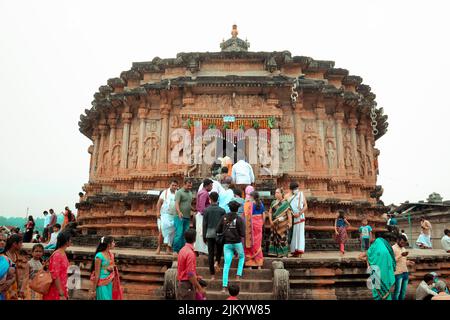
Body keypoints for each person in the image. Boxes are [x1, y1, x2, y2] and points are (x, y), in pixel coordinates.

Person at [216, 201, 245, 293]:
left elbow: (218, 229)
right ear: (237, 209)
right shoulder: (239, 219)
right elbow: (243, 234)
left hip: (227, 243)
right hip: (237, 243)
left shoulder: (224, 217)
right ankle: (238, 275)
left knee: (226, 264)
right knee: (242, 257)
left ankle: (224, 287)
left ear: (229, 208)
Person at [365, 232, 397, 300]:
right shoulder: (386, 246)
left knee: (377, 292)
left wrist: (368, 262)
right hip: (386, 273)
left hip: (376, 273)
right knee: (387, 289)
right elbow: (393, 260)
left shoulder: (374, 245)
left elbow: (367, 255)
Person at [202, 191, 226, 280]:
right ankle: (217, 262)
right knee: (219, 251)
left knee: (211, 253)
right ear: (217, 199)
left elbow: (204, 224)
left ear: (210, 199)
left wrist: (204, 236)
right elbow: (224, 224)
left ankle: (212, 275)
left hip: (209, 233)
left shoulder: (206, 210)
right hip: (219, 234)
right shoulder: (222, 210)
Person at [177, 229, 204, 300]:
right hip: (187, 285)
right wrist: (199, 287)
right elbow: (190, 275)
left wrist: (196, 276)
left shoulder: (182, 250)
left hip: (182, 284)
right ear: (195, 239)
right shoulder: (190, 253)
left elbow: (185, 270)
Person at [43, 231, 71, 300]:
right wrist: (61, 293)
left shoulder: (63, 253)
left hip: (62, 287)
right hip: (56, 290)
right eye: (70, 239)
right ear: (66, 241)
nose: (71, 241)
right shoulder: (57, 255)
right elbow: (55, 275)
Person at [1, 234, 29, 300]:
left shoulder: (16, 256)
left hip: (14, 286)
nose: (22, 245)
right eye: (20, 243)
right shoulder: (3, 257)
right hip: (5, 287)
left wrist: (19, 287)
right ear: (14, 244)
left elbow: (17, 273)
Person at [156, 180, 179, 255]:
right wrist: (158, 212)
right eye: (173, 185)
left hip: (173, 215)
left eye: (175, 185)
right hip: (164, 215)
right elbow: (159, 203)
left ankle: (168, 249)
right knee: (161, 231)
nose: (174, 187)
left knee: (172, 233)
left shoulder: (178, 193)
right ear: (170, 185)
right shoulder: (165, 192)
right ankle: (159, 247)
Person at [268, 188, 292, 257]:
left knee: (283, 239)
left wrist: (290, 223)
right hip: (274, 224)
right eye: (275, 192)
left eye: (278, 192)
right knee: (274, 238)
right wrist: (270, 221)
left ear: (282, 194)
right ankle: (274, 253)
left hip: (283, 224)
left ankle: (283, 253)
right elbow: (270, 212)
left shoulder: (286, 203)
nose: (276, 194)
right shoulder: (273, 203)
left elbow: (289, 213)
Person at [244, 191, 265, 268]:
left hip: (251, 224)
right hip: (259, 224)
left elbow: (246, 216)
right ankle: (259, 264)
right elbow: (264, 216)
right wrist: (261, 224)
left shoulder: (249, 205)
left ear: (252, 197)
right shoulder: (261, 204)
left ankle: (250, 264)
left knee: (251, 243)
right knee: (258, 244)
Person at [287, 181, 308, 257]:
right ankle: (294, 251)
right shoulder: (290, 197)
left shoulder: (301, 194)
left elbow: (305, 206)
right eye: (294, 188)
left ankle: (300, 251)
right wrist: (293, 214)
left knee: (300, 234)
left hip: (300, 217)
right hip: (293, 218)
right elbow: (289, 208)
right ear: (291, 190)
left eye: (296, 188)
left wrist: (299, 213)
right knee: (294, 234)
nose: (296, 190)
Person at [173, 179, 194, 253]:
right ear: (184, 184)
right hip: (179, 216)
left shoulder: (190, 193)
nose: (189, 187)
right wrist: (179, 212)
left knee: (186, 234)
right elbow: (177, 203)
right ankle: (175, 250)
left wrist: (194, 209)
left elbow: (188, 204)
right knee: (179, 233)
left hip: (187, 217)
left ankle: (183, 250)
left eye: (190, 186)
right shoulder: (179, 192)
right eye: (188, 185)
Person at [392, 235, 415, 300]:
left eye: (404, 243)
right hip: (398, 273)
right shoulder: (393, 248)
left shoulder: (403, 249)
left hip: (405, 272)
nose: (403, 244)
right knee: (397, 292)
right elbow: (392, 261)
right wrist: (401, 255)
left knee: (403, 291)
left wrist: (409, 262)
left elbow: (403, 261)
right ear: (397, 240)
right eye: (402, 242)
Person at [194, 179, 213, 255]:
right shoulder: (204, 193)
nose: (211, 187)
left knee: (200, 232)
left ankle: (199, 250)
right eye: (211, 186)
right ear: (207, 186)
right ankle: (201, 250)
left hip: (200, 215)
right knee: (201, 232)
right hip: (202, 215)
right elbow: (202, 208)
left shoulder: (201, 192)